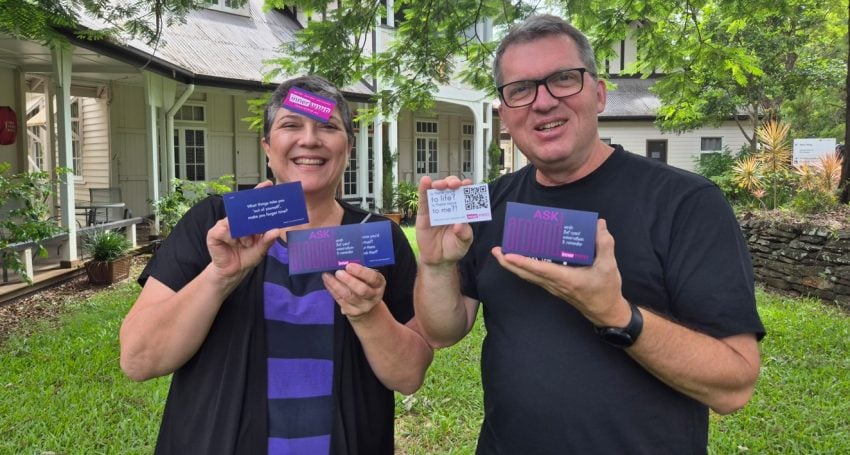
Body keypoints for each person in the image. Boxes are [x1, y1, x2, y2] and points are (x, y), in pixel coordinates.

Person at [414, 15, 765, 454]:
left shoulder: (686, 203)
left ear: (598, 94)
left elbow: (733, 386)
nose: (542, 102)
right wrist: (436, 264)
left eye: (563, 79)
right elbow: (444, 330)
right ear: (504, 115)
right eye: (520, 89)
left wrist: (616, 314)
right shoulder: (486, 204)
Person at [119, 75, 433, 454]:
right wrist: (219, 277)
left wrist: (369, 314)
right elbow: (138, 359)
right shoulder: (216, 225)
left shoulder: (377, 237)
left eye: (328, 127)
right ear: (267, 147)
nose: (309, 139)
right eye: (291, 125)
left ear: (348, 148)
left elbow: (409, 374)